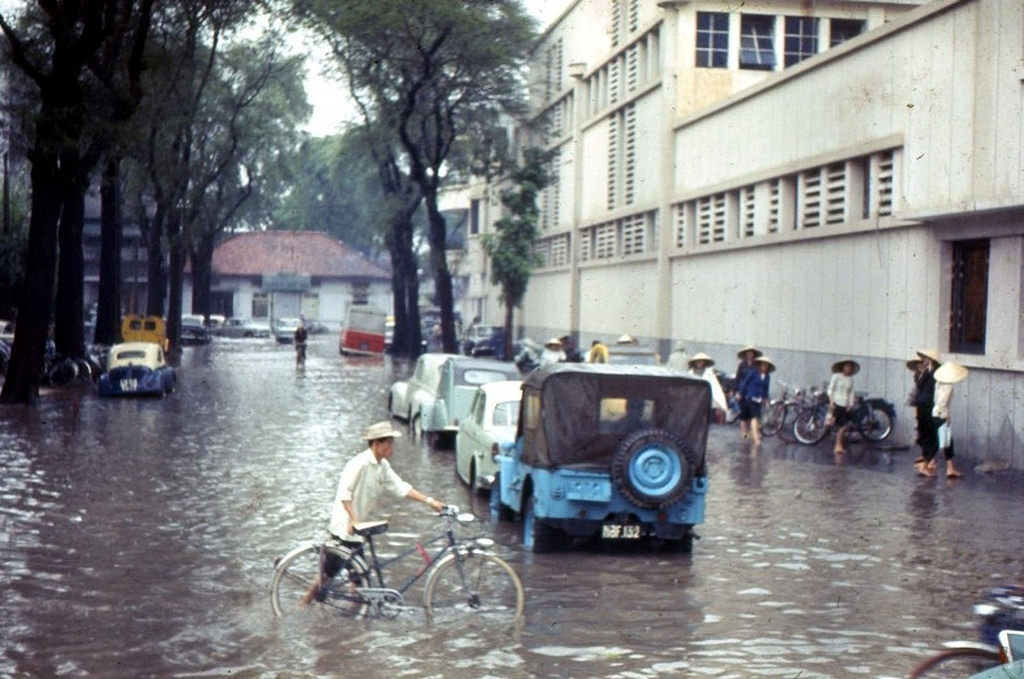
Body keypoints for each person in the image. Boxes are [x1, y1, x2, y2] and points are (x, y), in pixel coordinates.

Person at [302, 421, 445, 605]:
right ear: (377, 444)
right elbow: (344, 493)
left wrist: (429, 501)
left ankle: (356, 619)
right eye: (389, 444)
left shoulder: (382, 466)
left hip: (357, 530)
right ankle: (302, 606)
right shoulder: (359, 464)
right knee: (327, 575)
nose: (391, 448)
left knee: (358, 578)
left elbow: (401, 487)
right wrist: (353, 519)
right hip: (345, 527)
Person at [922, 362, 967, 478]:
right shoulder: (948, 386)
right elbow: (942, 402)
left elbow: (936, 399)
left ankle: (950, 468)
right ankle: (924, 466)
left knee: (948, 442)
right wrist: (945, 416)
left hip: (935, 412)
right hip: (941, 415)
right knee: (938, 442)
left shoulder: (939, 383)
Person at [912, 348, 940, 473]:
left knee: (930, 435)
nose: (923, 361)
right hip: (923, 405)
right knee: (925, 433)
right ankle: (926, 460)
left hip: (928, 405)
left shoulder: (933, 372)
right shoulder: (924, 372)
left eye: (925, 358)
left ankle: (928, 460)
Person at [737, 355, 773, 444]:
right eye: (763, 365)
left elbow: (766, 389)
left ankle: (755, 438)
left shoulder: (767, 376)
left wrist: (766, 398)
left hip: (758, 400)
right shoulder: (753, 372)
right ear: (760, 365)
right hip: (749, 397)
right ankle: (745, 436)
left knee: (754, 418)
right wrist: (740, 393)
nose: (764, 367)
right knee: (744, 419)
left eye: (766, 366)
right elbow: (745, 383)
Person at [827, 358, 859, 454]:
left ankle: (839, 444)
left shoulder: (851, 380)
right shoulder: (836, 376)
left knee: (845, 425)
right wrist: (831, 400)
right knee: (843, 425)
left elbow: (851, 393)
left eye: (850, 367)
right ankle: (838, 445)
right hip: (837, 402)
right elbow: (830, 389)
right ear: (843, 367)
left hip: (845, 404)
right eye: (847, 366)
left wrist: (850, 404)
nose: (848, 368)